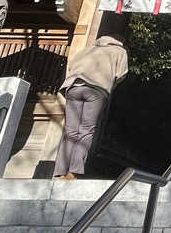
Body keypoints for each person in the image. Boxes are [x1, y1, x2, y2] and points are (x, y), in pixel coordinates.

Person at [54, 34, 128, 179]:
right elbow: (121, 74)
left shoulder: (88, 49)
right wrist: (110, 83)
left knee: (70, 131)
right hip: (96, 90)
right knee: (86, 130)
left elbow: (72, 65)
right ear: (120, 40)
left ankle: (59, 171)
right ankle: (73, 171)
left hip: (74, 86)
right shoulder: (120, 51)